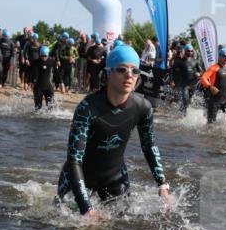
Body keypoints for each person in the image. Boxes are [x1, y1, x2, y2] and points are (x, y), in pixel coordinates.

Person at [56, 45, 170, 217]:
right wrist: (86, 208)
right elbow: (74, 160)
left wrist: (162, 185)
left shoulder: (142, 107)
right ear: (109, 73)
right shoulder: (87, 108)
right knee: (71, 228)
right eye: (122, 69)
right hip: (78, 180)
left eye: (135, 70)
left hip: (115, 179)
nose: (129, 75)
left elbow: (149, 146)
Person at [199, 49, 226, 125]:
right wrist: (210, 86)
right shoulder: (214, 68)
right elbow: (203, 79)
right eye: (224, 56)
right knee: (210, 124)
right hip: (215, 99)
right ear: (219, 57)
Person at [170, 44, 202, 114]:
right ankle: (184, 116)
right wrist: (172, 81)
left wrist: (199, 73)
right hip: (184, 85)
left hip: (192, 85)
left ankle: (182, 112)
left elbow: (201, 71)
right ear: (185, 51)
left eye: (191, 51)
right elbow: (172, 71)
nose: (190, 52)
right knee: (185, 100)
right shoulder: (179, 61)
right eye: (188, 51)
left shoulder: (195, 61)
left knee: (188, 101)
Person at [29, 45, 57, 110]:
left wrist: (61, 83)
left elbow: (57, 73)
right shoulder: (35, 62)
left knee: (50, 108)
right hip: (38, 87)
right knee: (38, 107)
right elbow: (30, 73)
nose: (43, 57)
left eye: (45, 56)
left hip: (48, 87)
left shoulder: (51, 61)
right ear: (40, 55)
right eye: (42, 56)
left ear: (48, 54)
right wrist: (29, 82)